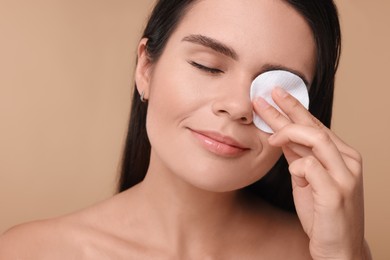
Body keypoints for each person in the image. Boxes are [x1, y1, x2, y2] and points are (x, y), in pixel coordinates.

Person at [0, 0, 372, 259]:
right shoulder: (31, 252)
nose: (239, 106)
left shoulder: (327, 253)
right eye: (208, 66)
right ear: (146, 68)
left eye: (277, 90)